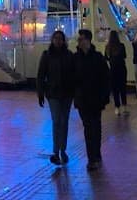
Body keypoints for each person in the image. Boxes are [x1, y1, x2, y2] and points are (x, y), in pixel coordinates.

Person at [72, 29, 110, 171]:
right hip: (83, 99)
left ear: (88, 40)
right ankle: (92, 157)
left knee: (96, 127)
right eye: (79, 39)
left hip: (95, 98)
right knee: (89, 128)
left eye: (81, 39)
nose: (79, 42)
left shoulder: (98, 58)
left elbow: (105, 78)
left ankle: (96, 155)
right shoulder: (76, 58)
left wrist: (105, 96)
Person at [36, 29, 75, 166]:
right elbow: (41, 75)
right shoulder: (47, 56)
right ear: (52, 40)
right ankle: (56, 151)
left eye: (60, 39)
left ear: (63, 41)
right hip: (53, 94)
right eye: (56, 38)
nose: (58, 41)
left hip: (66, 94)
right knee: (57, 120)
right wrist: (40, 93)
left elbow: (73, 75)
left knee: (63, 122)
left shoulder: (69, 55)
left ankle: (61, 149)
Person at [104, 30, 129, 116]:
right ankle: (125, 107)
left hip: (113, 70)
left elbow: (106, 58)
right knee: (123, 89)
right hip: (122, 69)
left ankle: (117, 108)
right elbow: (125, 56)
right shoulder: (121, 46)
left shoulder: (108, 47)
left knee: (115, 90)